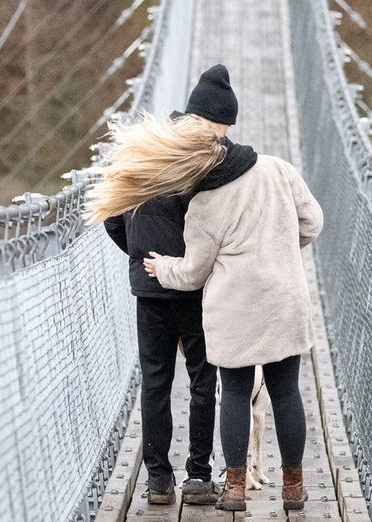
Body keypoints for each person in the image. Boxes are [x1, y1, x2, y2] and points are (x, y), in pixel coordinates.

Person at [87, 65, 323, 513]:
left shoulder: (176, 172)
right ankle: (250, 482)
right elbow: (309, 223)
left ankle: (194, 484)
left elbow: (128, 223)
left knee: (191, 386)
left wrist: (148, 262)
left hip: (193, 293)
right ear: (222, 126)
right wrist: (274, 247)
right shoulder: (251, 167)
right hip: (245, 292)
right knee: (254, 387)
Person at [94, 65, 254, 507]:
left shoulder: (147, 149)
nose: (223, 137)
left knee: (156, 382)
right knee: (205, 380)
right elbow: (240, 169)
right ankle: (198, 477)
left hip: (149, 288)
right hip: (195, 285)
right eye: (221, 128)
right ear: (209, 121)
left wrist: (142, 256)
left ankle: (158, 482)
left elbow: (111, 214)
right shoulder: (209, 160)